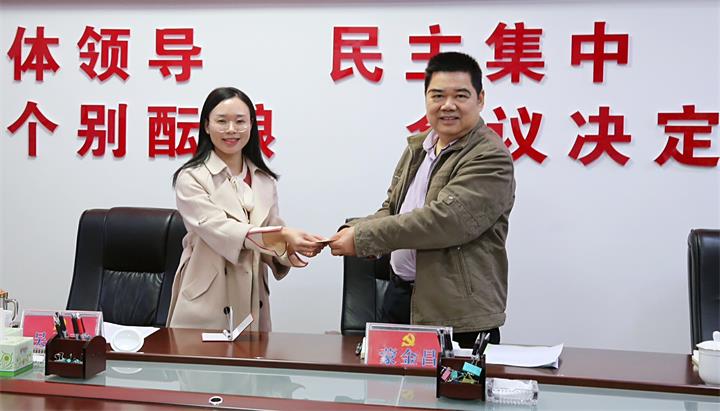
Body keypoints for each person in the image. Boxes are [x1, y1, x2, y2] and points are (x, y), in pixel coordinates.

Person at [328, 52, 515, 347]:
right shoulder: (420, 146)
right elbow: (393, 208)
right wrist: (349, 231)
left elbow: (443, 221)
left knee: (451, 380)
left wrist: (362, 237)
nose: (448, 105)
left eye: (460, 95)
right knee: (388, 379)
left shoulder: (490, 156)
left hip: (456, 314)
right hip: (400, 300)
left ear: (480, 99)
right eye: (437, 95)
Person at [166, 87, 324, 332]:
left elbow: (272, 234)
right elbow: (218, 228)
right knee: (200, 356)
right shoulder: (191, 178)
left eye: (240, 121)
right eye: (222, 121)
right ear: (206, 126)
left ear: (251, 125)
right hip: (207, 297)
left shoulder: (264, 180)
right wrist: (281, 235)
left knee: (252, 356)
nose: (231, 129)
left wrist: (294, 246)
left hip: (253, 298)